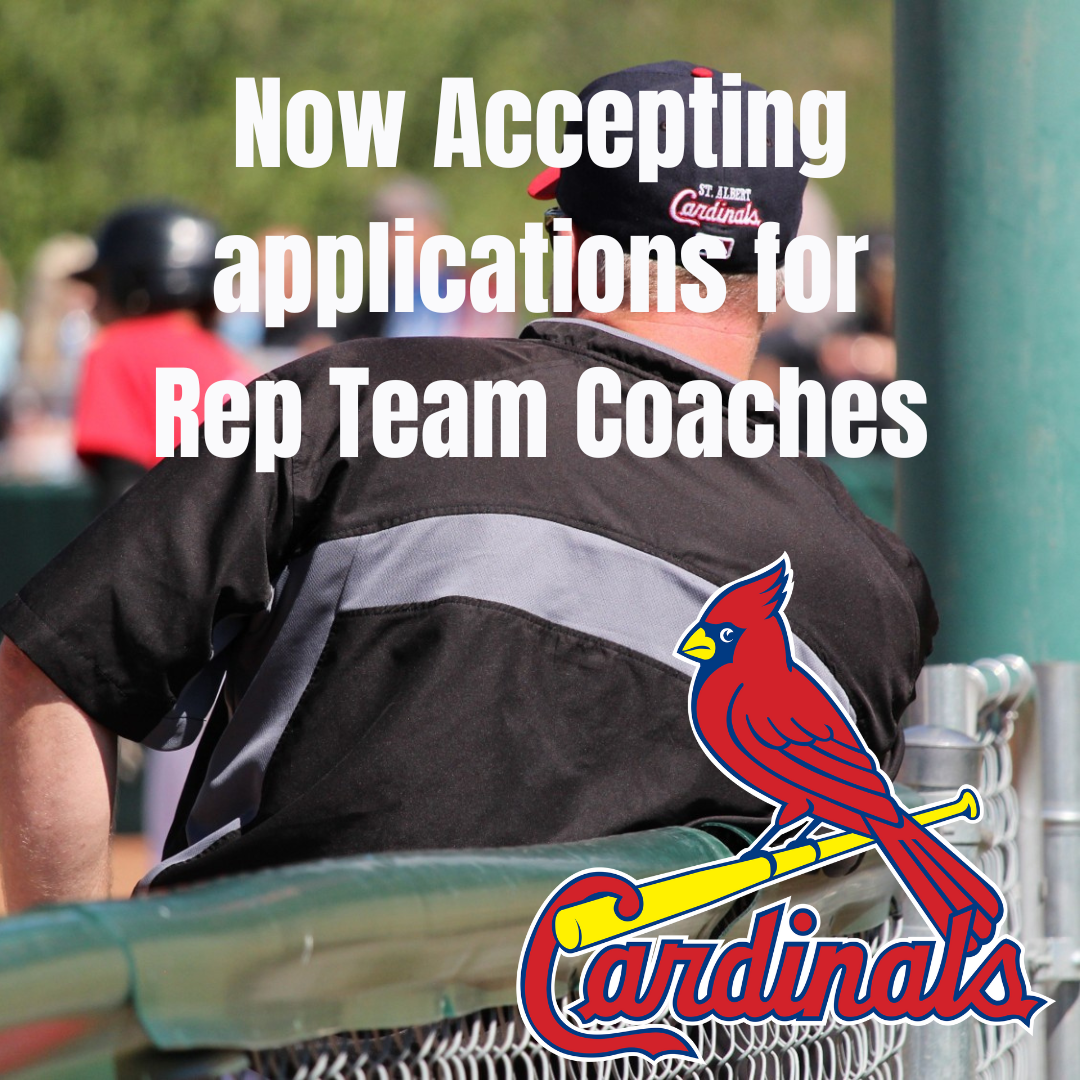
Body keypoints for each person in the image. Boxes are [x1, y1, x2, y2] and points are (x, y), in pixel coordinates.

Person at [0, 61, 936, 910]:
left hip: (283, 1015)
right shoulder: (871, 583)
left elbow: (47, 663)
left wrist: (78, 994)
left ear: (570, 241)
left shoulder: (351, 403)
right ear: (779, 272)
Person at [71, 203, 256, 508]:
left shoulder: (117, 351)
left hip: (174, 527)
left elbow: (121, 485)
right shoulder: (229, 359)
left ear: (132, 282)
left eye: (101, 283)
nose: (93, 302)